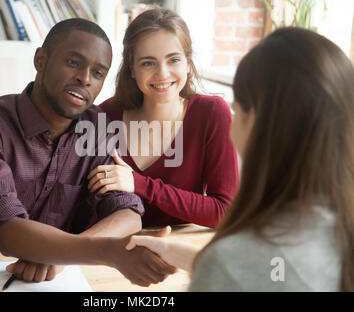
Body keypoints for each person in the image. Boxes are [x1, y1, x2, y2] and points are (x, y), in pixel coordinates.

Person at [0, 18, 176, 287]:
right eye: (73, 62)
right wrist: (104, 251)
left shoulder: (97, 128)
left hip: (43, 279)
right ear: (41, 60)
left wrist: (63, 257)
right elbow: (4, 227)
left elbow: (128, 214)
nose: (85, 78)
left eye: (98, 73)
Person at [125, 27, 354, 291]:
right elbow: (269, 273)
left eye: (236, 110)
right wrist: (180, 254)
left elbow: (243, 270)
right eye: (148, 62)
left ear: (256, 121)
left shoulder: (232, 262)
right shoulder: (333, 231)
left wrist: (215, 264)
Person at [87, 7, 239, 228]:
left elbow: (223, 212)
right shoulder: (105, 116)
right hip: (112, 248)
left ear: (188, 64)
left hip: (179, 247)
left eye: (173, 60)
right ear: (132, 69)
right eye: (148, 63)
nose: (163, 74)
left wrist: (140, 184)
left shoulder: (211, 113)